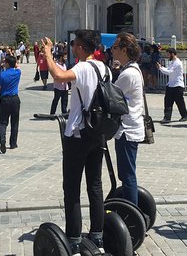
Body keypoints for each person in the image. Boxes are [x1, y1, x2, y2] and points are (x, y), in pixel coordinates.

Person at [41, 30, 106, 254]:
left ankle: (74, 237)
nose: (72, 47)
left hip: (78, 133)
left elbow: (58, 77)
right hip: (98, 132)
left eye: (74, 44)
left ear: (80, 47)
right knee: (95, 185)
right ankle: (98, 234)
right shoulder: (103, 67)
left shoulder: (82, 67)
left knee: (72, 187)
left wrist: (48, 53)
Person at [110, 33, 145, 206]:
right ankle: (132, 208)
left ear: (124, 50)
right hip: (130, 128)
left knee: (127, 175)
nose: (111, 49)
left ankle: (132, 214)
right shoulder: (131, 70)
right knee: (127, 173)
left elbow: (110, 96)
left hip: (127, 130)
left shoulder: (128, 74)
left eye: (115, 47)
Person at [0, 54, 21, 154]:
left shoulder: (2, 74)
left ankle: (2, 139)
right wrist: (13, 60)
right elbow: (17, 66)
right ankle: (13, 143)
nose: (3, 63)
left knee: (3, 122)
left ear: (8, 64)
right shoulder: (18, 72)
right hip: (15, 99)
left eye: (5, 62)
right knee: (15, 121)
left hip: (4, 99)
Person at [156, 48, 187, 123]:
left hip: (177, 85)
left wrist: (160, 68)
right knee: (168, 102)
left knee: (179, 102)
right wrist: (161, 67)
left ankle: (184, 116)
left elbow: (169, 72)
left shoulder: (177, 62)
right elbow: (168, 69)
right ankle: (167, 117)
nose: (167, 56)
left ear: (172, 54)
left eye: (168, 54)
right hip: (171, 84)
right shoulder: (172, 62)